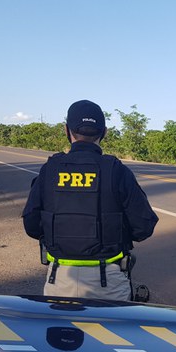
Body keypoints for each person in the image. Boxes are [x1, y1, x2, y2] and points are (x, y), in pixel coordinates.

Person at [22, 99, 158, 300]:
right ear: (104, 132)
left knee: (62, 332)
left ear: (66, 130)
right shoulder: (117, 171)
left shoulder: (50, 170)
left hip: (59, 280)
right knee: (110, 333)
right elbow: (144, 226)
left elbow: (31, 225)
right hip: (109, 284)